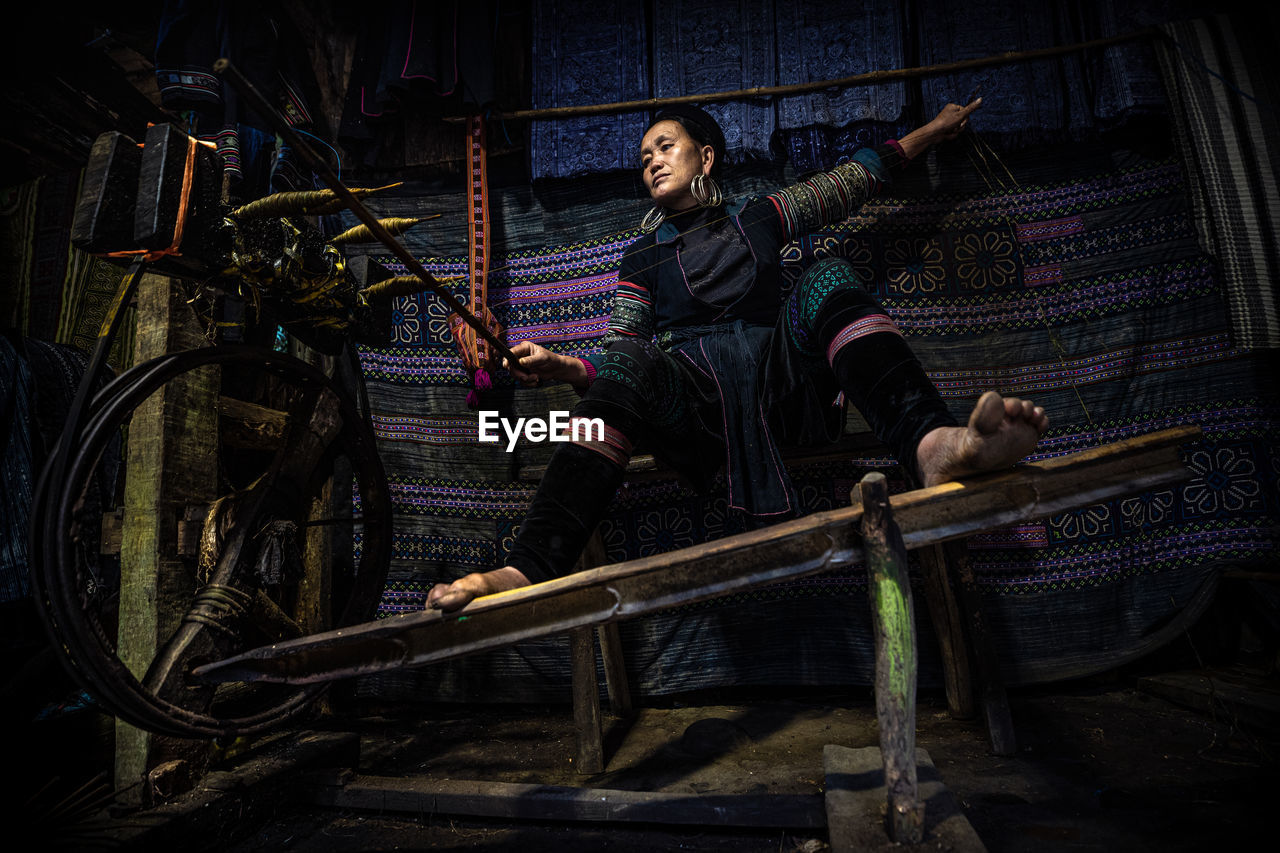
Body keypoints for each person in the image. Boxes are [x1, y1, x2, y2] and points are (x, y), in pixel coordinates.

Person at [427, 98, 1048, 612]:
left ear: (707, 157)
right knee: (630, 359)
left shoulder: (762, 216)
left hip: (781, 392)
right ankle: (529, 567)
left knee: (825, 274)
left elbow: (854, 180)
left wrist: (936, 132)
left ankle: (931, 445)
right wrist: (563, 367)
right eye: (645, 158)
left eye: (665, 146)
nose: (652, 162)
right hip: (692, 411)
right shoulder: (641, 259)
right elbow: (621, 357)